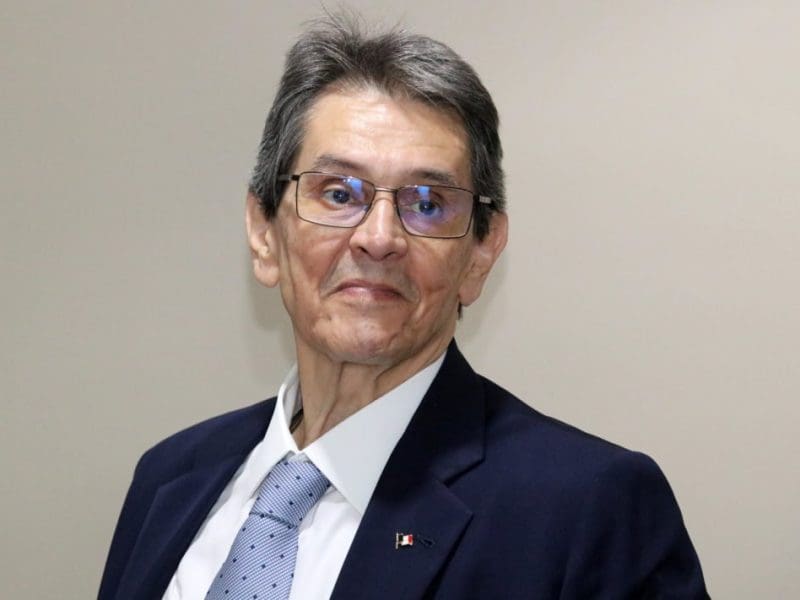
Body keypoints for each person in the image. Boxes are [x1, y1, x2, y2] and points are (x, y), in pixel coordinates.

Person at [98, 14, 709, 600]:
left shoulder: (588, 510)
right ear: (264, 233)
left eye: (427, 203)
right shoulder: (169, 478)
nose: (379, 237)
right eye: (339, 194)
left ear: (480, 253)